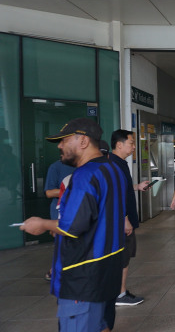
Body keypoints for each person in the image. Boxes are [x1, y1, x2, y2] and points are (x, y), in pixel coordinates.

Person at [21, 118, 127, 331]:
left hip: (83, 275)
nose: (60, 146)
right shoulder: (113, 169)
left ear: (83, 141)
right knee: (101, 323)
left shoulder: (84, 176)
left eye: (64, 140)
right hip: (109, 267)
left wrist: (42, 224)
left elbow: (73, 226)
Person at [107, 130, 151, 314]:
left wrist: (136, 187)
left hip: (123, 219)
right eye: (131, 143)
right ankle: (119, 294)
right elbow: (114, 194)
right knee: (123, 256)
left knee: (124, 256)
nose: (134, 147)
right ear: (119, 144)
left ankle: (118, 291)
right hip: (121, 221)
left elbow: (122, 187)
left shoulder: (119, 163)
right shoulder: (113, 164)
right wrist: (124, 218)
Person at [43, 159, 75, 281]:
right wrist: (70, 190)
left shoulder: (84, 166)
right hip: (59, 210)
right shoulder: (55, 167)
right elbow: (49, 192)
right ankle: (54, 270)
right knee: (61, 241)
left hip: (76, 209)